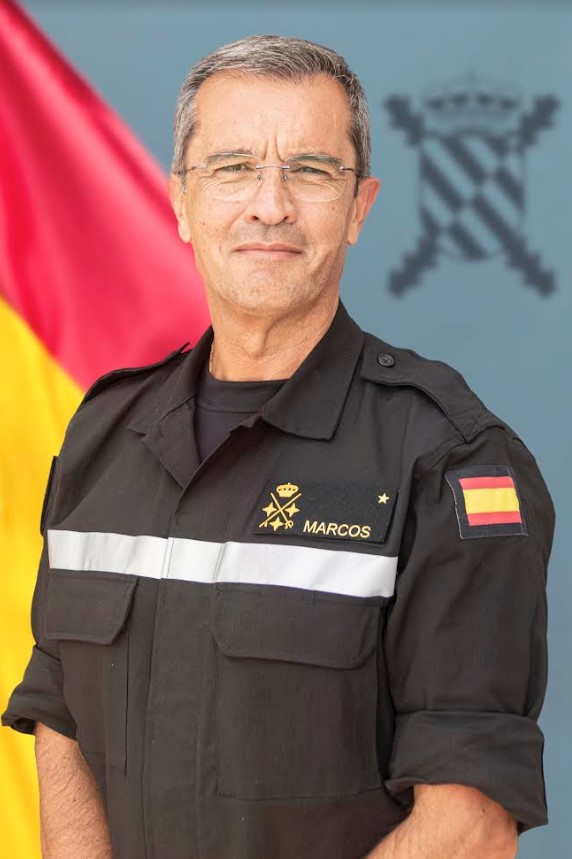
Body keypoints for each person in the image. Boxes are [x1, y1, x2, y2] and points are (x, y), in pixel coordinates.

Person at [2, 35, 554, 859]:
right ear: (181, 201)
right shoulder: (102, 436)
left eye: (311, 170)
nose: (270, 204)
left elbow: (470, 824)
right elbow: (59, 712)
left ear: (359, 205)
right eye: (232, 167)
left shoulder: (448, 461)